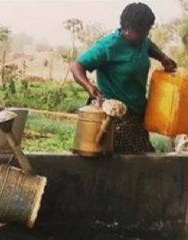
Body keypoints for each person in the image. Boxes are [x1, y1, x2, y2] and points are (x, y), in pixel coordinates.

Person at [70, 2, 177, 153]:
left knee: (139, 159)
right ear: (127, 28)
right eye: (142, 31)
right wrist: (89, 86)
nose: (145, 35)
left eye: (148, 30)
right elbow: (76, 66)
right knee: (124, 159)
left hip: (138, 113)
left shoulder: (142, 41)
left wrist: (163, 57)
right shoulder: (108, 46)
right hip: (116, 116)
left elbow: (149, 46)